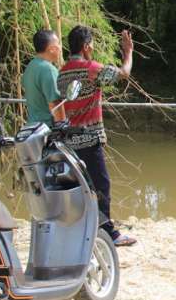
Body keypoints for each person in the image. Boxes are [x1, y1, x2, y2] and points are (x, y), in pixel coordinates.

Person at [56, 25, 137, 247]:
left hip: (69, 141)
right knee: (101, 185)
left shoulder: (62, 72)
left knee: (81, 186)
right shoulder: (90, 69)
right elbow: (124, 73)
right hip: (89, 139)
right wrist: (128, 52)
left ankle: (84, 229)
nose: (92, 48)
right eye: (91, 44)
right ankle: (108, 233)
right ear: (85, 46)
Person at [21, 29, 66, 125]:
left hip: (32, 128)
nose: (60, 48)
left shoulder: (30, 66)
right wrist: (63, 129)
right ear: (51, 49)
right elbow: (55, 104)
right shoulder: (48, 70)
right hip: (46, 131)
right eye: (58, 44)